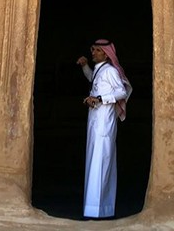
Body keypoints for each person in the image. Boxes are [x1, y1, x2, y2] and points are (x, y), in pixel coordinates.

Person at [76, 39, 132, 219]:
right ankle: (93, 209)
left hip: (105, 122)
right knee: (94, 160)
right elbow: (94, 79)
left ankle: (100, 209)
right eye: (92, 49)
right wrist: (85, 66)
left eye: (97, 50)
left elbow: (122, 92)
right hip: (94, 120)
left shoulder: (111, 71)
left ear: (106, 54)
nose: (93, 53)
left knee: (102, 161)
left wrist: (100, 99)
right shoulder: (100, 70)